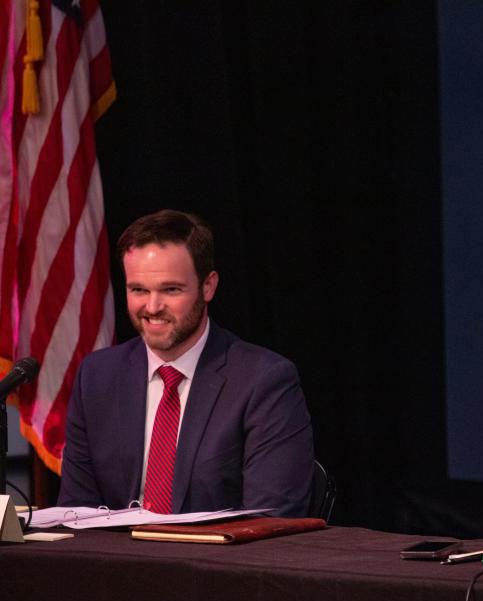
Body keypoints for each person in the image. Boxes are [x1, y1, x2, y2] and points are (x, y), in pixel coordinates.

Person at [58, 210, 315, 516]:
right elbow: (76, 513)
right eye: (138, 290)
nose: (152, 307)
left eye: (171, 290)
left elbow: (273, 519)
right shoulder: (97, 377)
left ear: (208, 287)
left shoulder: (264, 380)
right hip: (119, 562)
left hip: (217, 562)